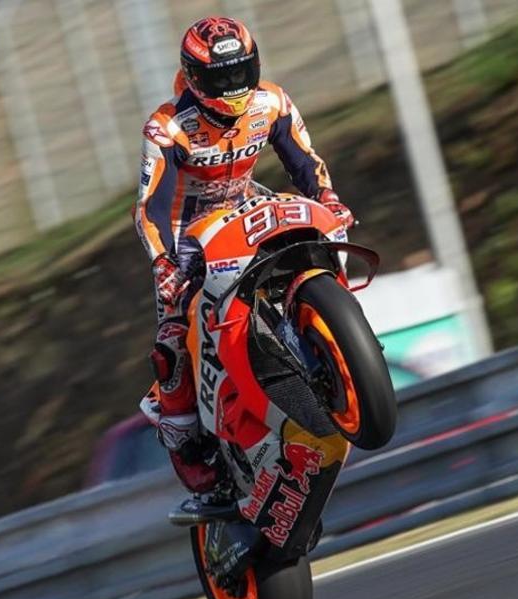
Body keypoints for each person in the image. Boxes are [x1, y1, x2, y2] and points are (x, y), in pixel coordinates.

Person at [134, 16, 355, 498]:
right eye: (221, 78)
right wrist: (164, 263)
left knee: (309, 238)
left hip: (244, 208)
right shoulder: (168, 128)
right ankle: (184, 440)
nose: (234, 87)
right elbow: (150, 209)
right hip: (184, 237)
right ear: (193, 77)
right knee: (174, 335)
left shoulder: (271, 102)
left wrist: (329, 198)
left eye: (241, 71)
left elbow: (304, 161)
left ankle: (322, 340)